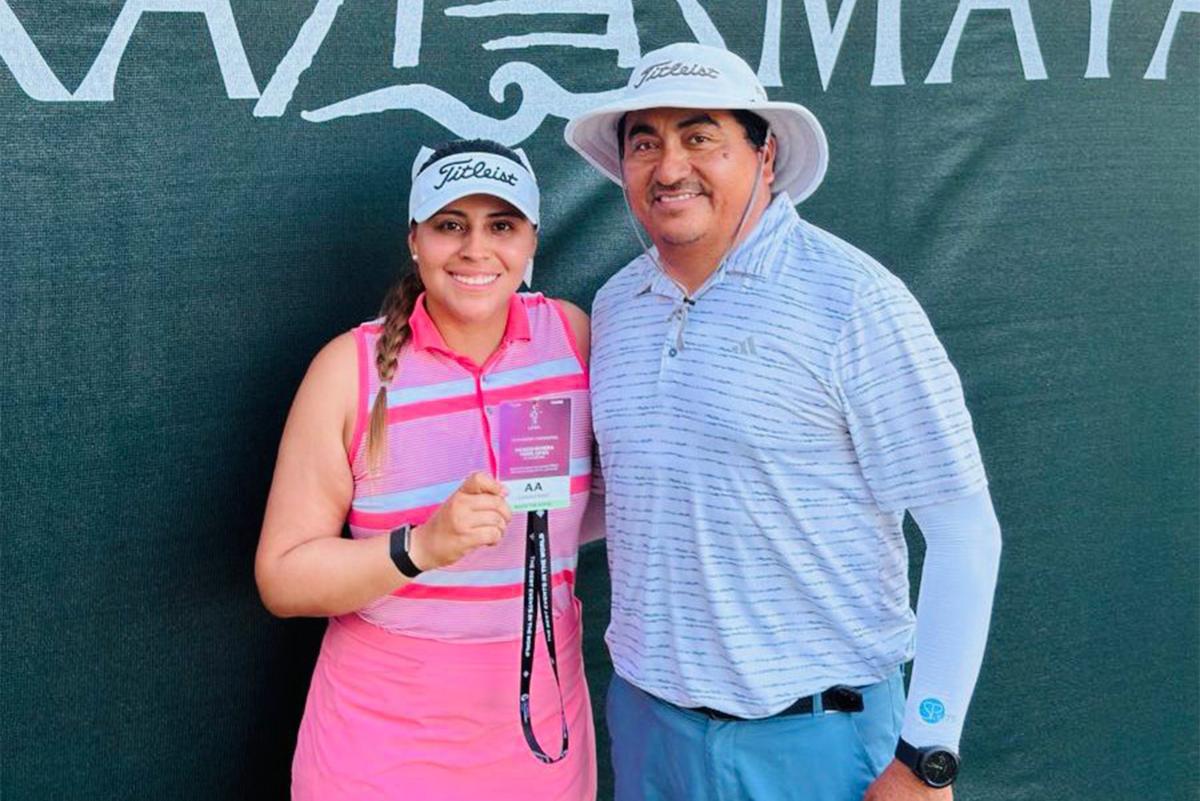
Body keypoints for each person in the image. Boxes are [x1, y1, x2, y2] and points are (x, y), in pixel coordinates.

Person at [564, 43, 1002, 801]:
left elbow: (965, 532)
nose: (670, 167)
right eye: (645, 143)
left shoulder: (855, 301)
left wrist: (928, 750)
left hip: (819, 742)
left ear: (764, 155)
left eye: (700, 137)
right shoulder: (615, 307)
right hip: (649, 730)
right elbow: (634, 496)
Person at [255, 139, 598, 801]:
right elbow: (283, 576)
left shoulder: (572, 338)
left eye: (501, 226)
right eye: (450, 225)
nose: (476, 249)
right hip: (378, 748)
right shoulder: (348, 371)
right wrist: (420, 547)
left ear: (532, 239)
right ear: (415, 239)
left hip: (540, 736)